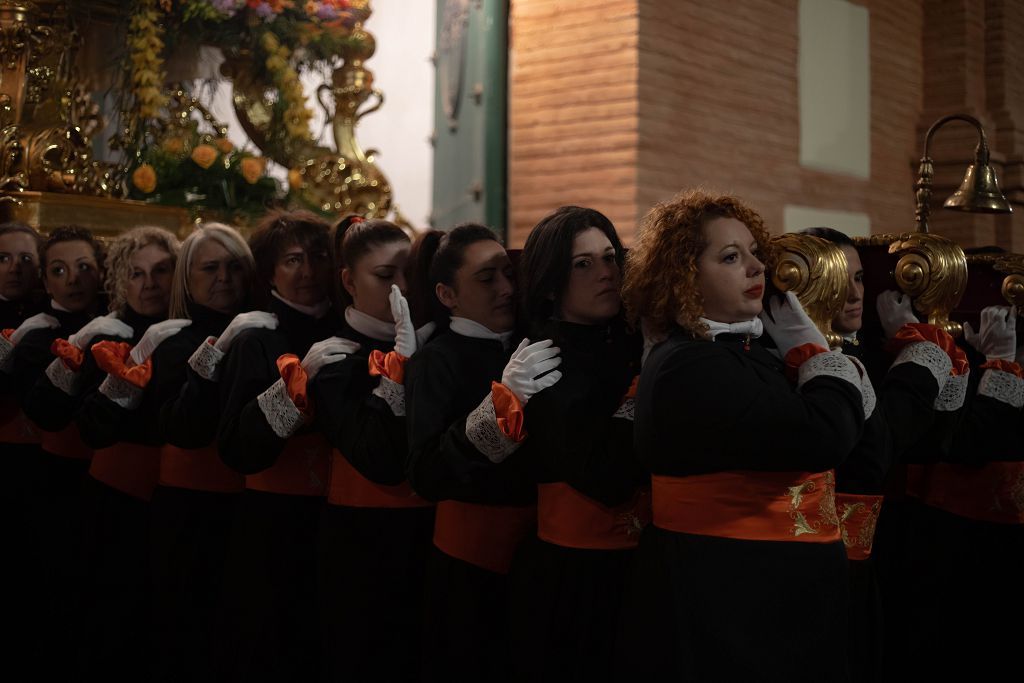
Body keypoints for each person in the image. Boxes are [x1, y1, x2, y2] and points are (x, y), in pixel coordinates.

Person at [616, 190, 871, 680]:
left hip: (765, 593)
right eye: (731, 257)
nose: (757, 268)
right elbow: (824, 437)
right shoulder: (690, 364)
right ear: (685, 276)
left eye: (755, 251)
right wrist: (817, 352)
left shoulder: (740, 351)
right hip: (726, 598)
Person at [405, 223, 561, 682]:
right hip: (469, 569)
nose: (507, 288)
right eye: (487, 278)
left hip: (538, 561)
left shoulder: (531, 341)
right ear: (447, 295)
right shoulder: (437, 360)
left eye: (508, 273)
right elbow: (426, 473)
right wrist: (496, 410)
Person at [507, 206, 646, 680]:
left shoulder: (632, 339)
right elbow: (607, 477)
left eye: (610, 257)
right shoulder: (542, 362)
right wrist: (643, 386)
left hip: (643, 568)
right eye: (582, 264)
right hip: (574, 576)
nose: (606, 273)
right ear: (549, 283)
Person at [215, 210, 350, 683]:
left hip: (339, 523)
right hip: (273, 523)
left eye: (318, 257)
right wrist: (296, 386)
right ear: (269, 272)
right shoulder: (257, 337)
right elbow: (237, 446)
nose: (308, 271)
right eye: (292, 260)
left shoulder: (348, 327)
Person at [138, 223, 264, 682]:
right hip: (188, 514)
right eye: (210, 268)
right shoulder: (173, 340)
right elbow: (182, 428)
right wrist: (219, 348)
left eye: (234, 267)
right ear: (187, 279)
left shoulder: (262, 330)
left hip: (247, 511)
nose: (224, 278)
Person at [313, 216, 435, 682]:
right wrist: (398, 370)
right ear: (348, 281)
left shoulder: (433, 342)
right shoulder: (333, 355)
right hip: (361, 542)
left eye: (409, 274)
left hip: (427, 534)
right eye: (385, 277)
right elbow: (375, 456)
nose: (403, 288)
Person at [70, 226, 180, 678]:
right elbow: (89, 428)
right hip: (114, 501)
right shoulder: (104, 338)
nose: (148, 283)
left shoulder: (190, 332)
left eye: (161, 271)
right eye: (135, 274)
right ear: (120, 280)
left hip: (177, 504)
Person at [2, 224, 97, 674]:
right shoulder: (37, 333)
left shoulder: (116, 320)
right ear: (47, 280)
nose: (74, 279)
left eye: (84, 267)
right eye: (60, 270)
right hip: (46, 480)